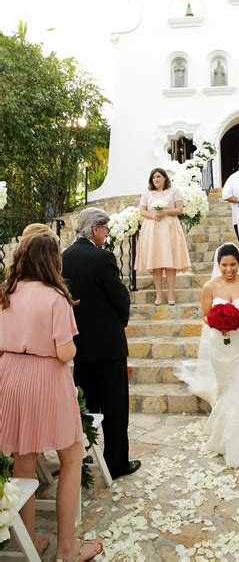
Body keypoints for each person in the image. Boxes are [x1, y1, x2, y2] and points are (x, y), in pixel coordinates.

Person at [0, 234, 103, 562]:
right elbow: (64, 352)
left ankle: (31, 540)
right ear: (51, 260)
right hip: (46, 377)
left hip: (10, 374)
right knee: (72, 457)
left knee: (23, 463)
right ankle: (67, 549)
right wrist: (72, 345)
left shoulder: (6, 293)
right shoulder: (56, 297)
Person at [174, 243, 239, 472]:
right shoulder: (209, 286)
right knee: (229, 388)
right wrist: (217, 324)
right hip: (220, 345)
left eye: (233, 264)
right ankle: (225, 435)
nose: (229, 269)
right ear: (218, 265)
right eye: (224, 265)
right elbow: (205, 316)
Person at [62, 207, 140, 481]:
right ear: (95, 229)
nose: (106, 234)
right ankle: (116, 463)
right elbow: (120, 297)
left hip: (79, 345)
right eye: (105, 229)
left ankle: (80, 460)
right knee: (115, 406)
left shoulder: (64, 257)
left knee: (85, 405)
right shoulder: (102, 257)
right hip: (108, 345)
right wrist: (119, 321)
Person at [135, 168, 191, 305]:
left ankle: (171, 293)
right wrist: (152, 215)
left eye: (158, 176)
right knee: (155, 262)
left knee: (170, 262)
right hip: (152, 229)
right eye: (153, 177)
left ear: (165, 178)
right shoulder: (147, 193)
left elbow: (179, 209)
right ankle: (159, 293)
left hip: (170, 228)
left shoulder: (174, 191)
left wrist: (165, 211)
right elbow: (142, 211)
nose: (156, 179)